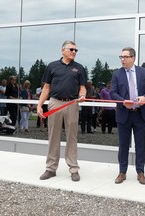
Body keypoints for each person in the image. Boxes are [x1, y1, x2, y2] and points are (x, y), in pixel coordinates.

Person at [37, 40, 86, 182]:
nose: (74, 52)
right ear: (63, 50)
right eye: (71, 49)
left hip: (71, 103)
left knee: (72, 136)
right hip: (55, 103)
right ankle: (51, 168)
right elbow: (46, 88)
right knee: (53, 136)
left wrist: (82, 95)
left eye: (76, 50)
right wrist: (40, 105)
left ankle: (74, 169)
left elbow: (82, 87)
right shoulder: (52, 66)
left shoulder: (79, 68)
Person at [110, 47, 145, 185]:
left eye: (125, 57)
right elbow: (113, 92)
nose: (122, 59)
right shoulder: (116, 74)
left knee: (140, 145)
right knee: (123, 145)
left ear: (133, 58)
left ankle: (140, 172)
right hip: (124, 115)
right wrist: (123, 102)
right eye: (121, 57)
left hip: (139, 114)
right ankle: (122, 172)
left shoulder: (143, 72)